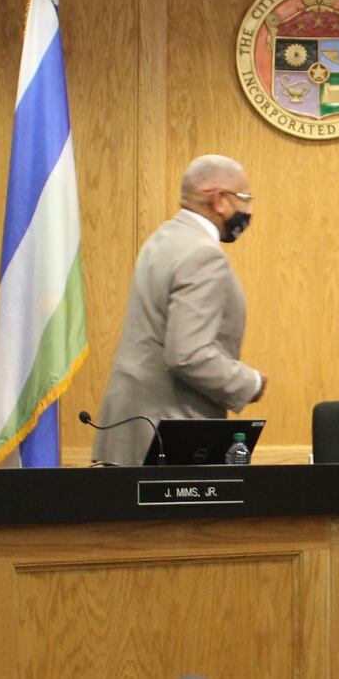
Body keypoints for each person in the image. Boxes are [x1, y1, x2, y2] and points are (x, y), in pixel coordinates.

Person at [91, 155, 267, 467]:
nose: (249, 210)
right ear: (221, 200)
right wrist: (250, 382)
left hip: (132, 429)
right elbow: (188, 353)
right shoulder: (203, 254)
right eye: (245, 199)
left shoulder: (162, 240)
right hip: (168, 436)